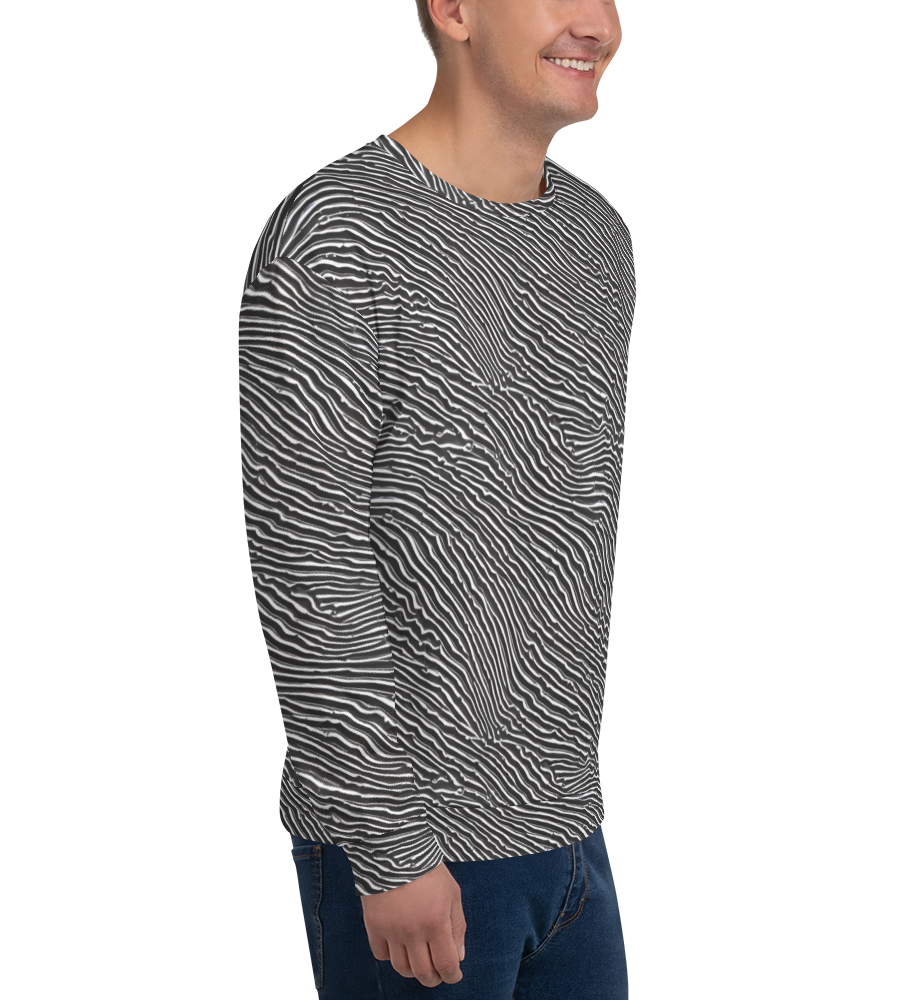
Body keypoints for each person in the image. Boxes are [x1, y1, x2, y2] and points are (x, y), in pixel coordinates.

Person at [239, 1, 632, 995]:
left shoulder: (597, 236)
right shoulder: (337, 230)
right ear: (452, 8)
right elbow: (306, 556)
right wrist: (391, 849)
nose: (596, 22)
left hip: (571, 834)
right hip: (412, 858)